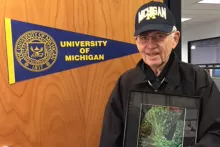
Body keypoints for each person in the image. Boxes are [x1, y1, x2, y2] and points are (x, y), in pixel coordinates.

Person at [99, 1, 220, 147]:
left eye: (158, 36)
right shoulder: (126, 83)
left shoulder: (198, 80)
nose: (150, 45)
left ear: (174, 39)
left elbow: (216, 132)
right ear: (136, 42)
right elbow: (111, 137)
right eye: (144, 38)